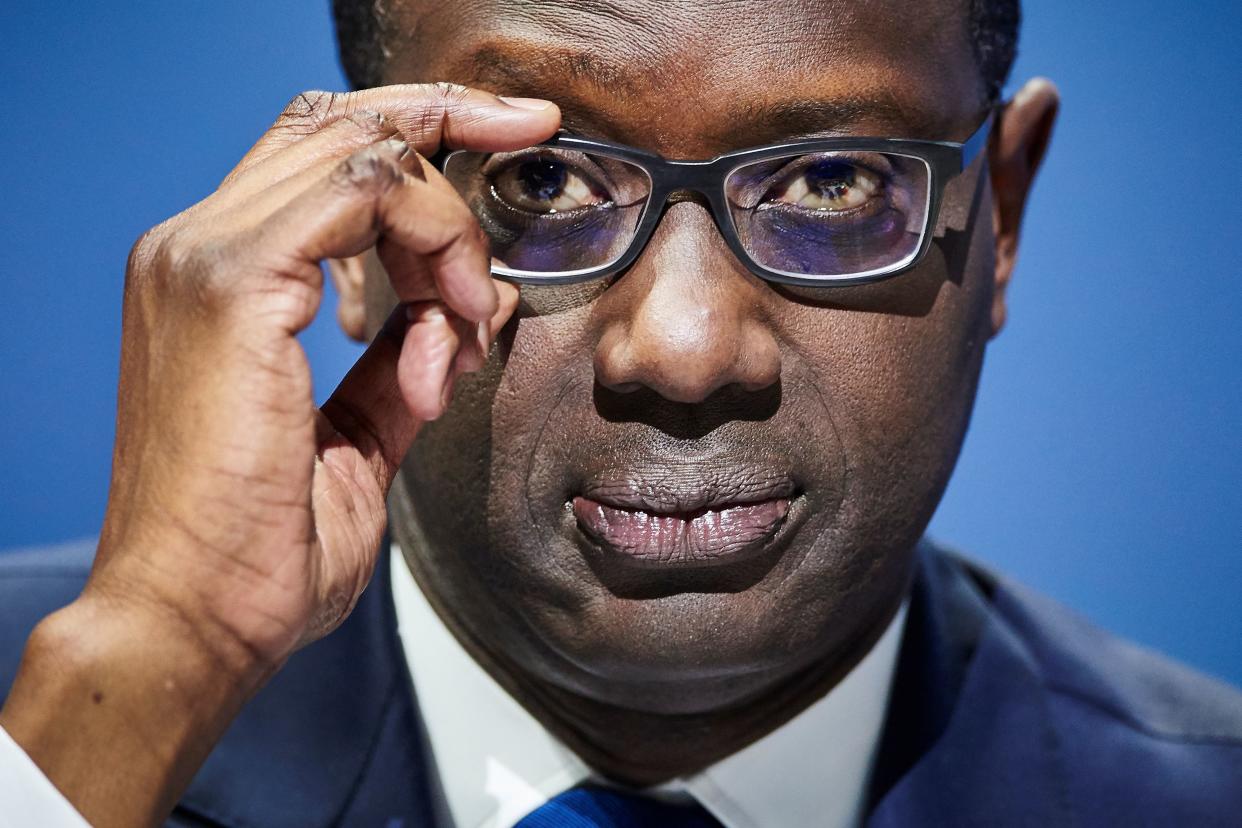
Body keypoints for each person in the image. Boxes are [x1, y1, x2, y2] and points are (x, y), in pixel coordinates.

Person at [1, 0, 1240, 825]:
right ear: (356, 227)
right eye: (540, 180)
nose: (685, 350)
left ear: (1003, 218)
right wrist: (151, 671)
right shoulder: (48, 745)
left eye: (831, 179)